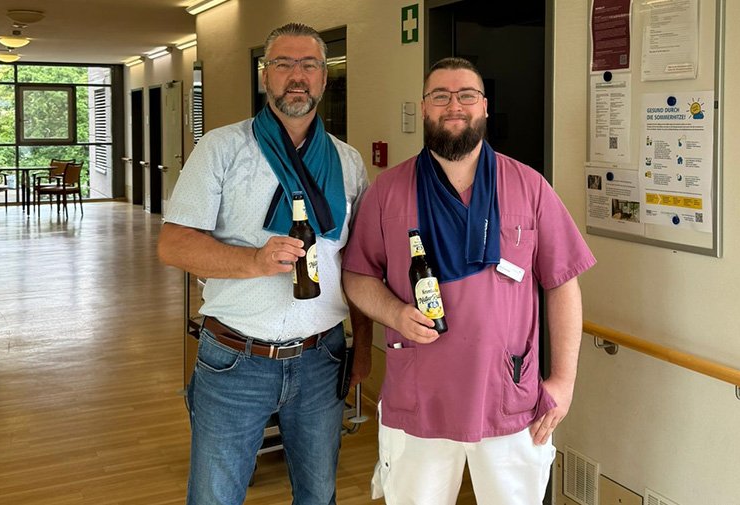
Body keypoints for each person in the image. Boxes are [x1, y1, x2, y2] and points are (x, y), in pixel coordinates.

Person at [341, 57, 596, 504]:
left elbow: (562, 283)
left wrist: (565, 382)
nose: (453, 105)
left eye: (466, 96)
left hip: (511, 395)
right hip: (419, 397)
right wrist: (396, 313)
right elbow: (358, 277)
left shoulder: (529, 187)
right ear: (423, 108)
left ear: (484, 107)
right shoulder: (388, 192)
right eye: (440, 95)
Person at [157, 22, 371, 505]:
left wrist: (364, 346)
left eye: (309, 64)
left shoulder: (349, 162)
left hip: (323, 357)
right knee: (214, 497)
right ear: (265, 75)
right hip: (235, 358)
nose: (297, 75)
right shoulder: (222, 147)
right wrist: (254, 260)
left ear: (323, 77)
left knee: (318, 495)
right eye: (284, 64)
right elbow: (173, 245)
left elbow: (357, 263)